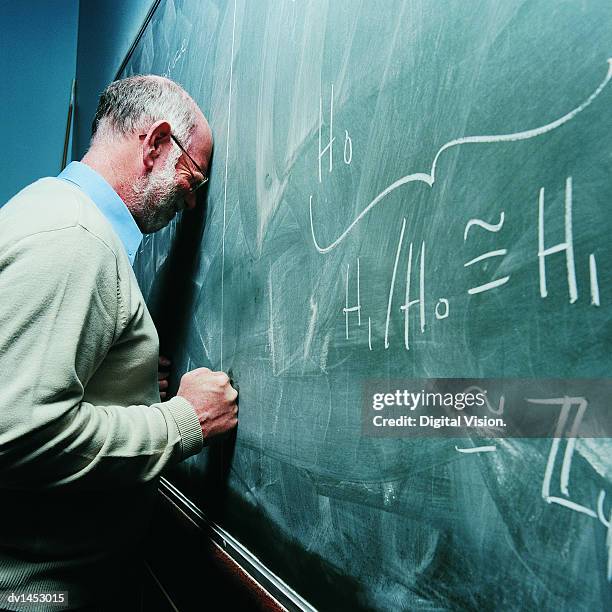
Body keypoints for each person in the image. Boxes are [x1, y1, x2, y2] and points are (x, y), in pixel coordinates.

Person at [0, 75, 238, 611]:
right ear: (155, 144)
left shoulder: (49, 209)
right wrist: (185, 420)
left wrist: (114, 382)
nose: (193, 202)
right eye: (193, 179)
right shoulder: (74, 241)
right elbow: (15, 432)